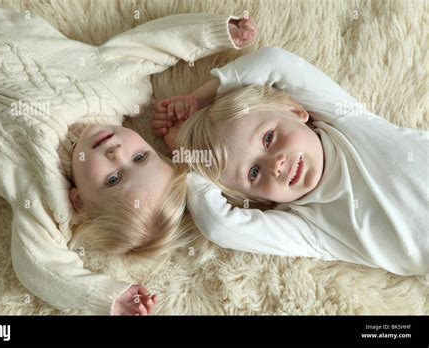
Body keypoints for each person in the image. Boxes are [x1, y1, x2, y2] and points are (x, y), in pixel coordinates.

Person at [0, 7, 257, 315]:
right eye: (140, 157)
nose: (116, 154)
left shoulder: (42, 196)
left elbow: (39, 267)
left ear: (79, 202)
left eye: (112, 180)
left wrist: (107, 297)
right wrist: (217, 32)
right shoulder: (116, 87)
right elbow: (152, 44)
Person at [153, 47, 428, 277]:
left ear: (296, 111)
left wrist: (197, 97)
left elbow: (276, 61)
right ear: (257, 199)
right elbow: (219, 225)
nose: (276, 165)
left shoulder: (347, 123)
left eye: (269, 138)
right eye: (254, 173)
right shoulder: (311, 227)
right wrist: (188, 157)